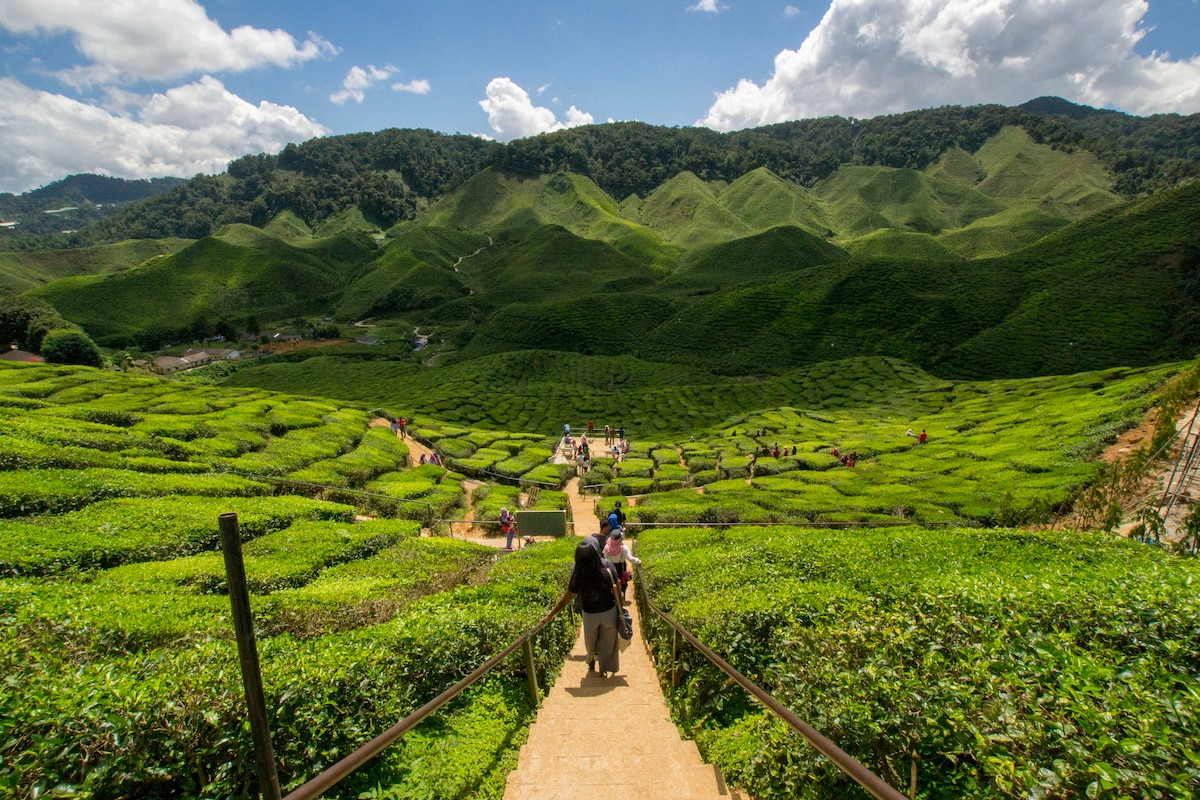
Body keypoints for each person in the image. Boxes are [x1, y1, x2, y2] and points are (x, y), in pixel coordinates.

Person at [568, 541, 621, 676]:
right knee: (608, 641)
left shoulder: (576, 570)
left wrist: (550, 615)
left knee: (590, 640)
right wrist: (619, 606)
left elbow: (569, 595)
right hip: (609, 610)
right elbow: (617, 584)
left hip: (589, 612)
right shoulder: (607, 566)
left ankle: (591, 657)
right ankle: (604, 668)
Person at [603, 529, 642, 598]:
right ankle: (622, 595)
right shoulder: (623, 548)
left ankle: (614, 597)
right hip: (621, 567)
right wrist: (638, 561)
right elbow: (630, 558)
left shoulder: (607, 547)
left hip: (611, 568)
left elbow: (605, 558)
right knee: (622, 582)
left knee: (613, 582)